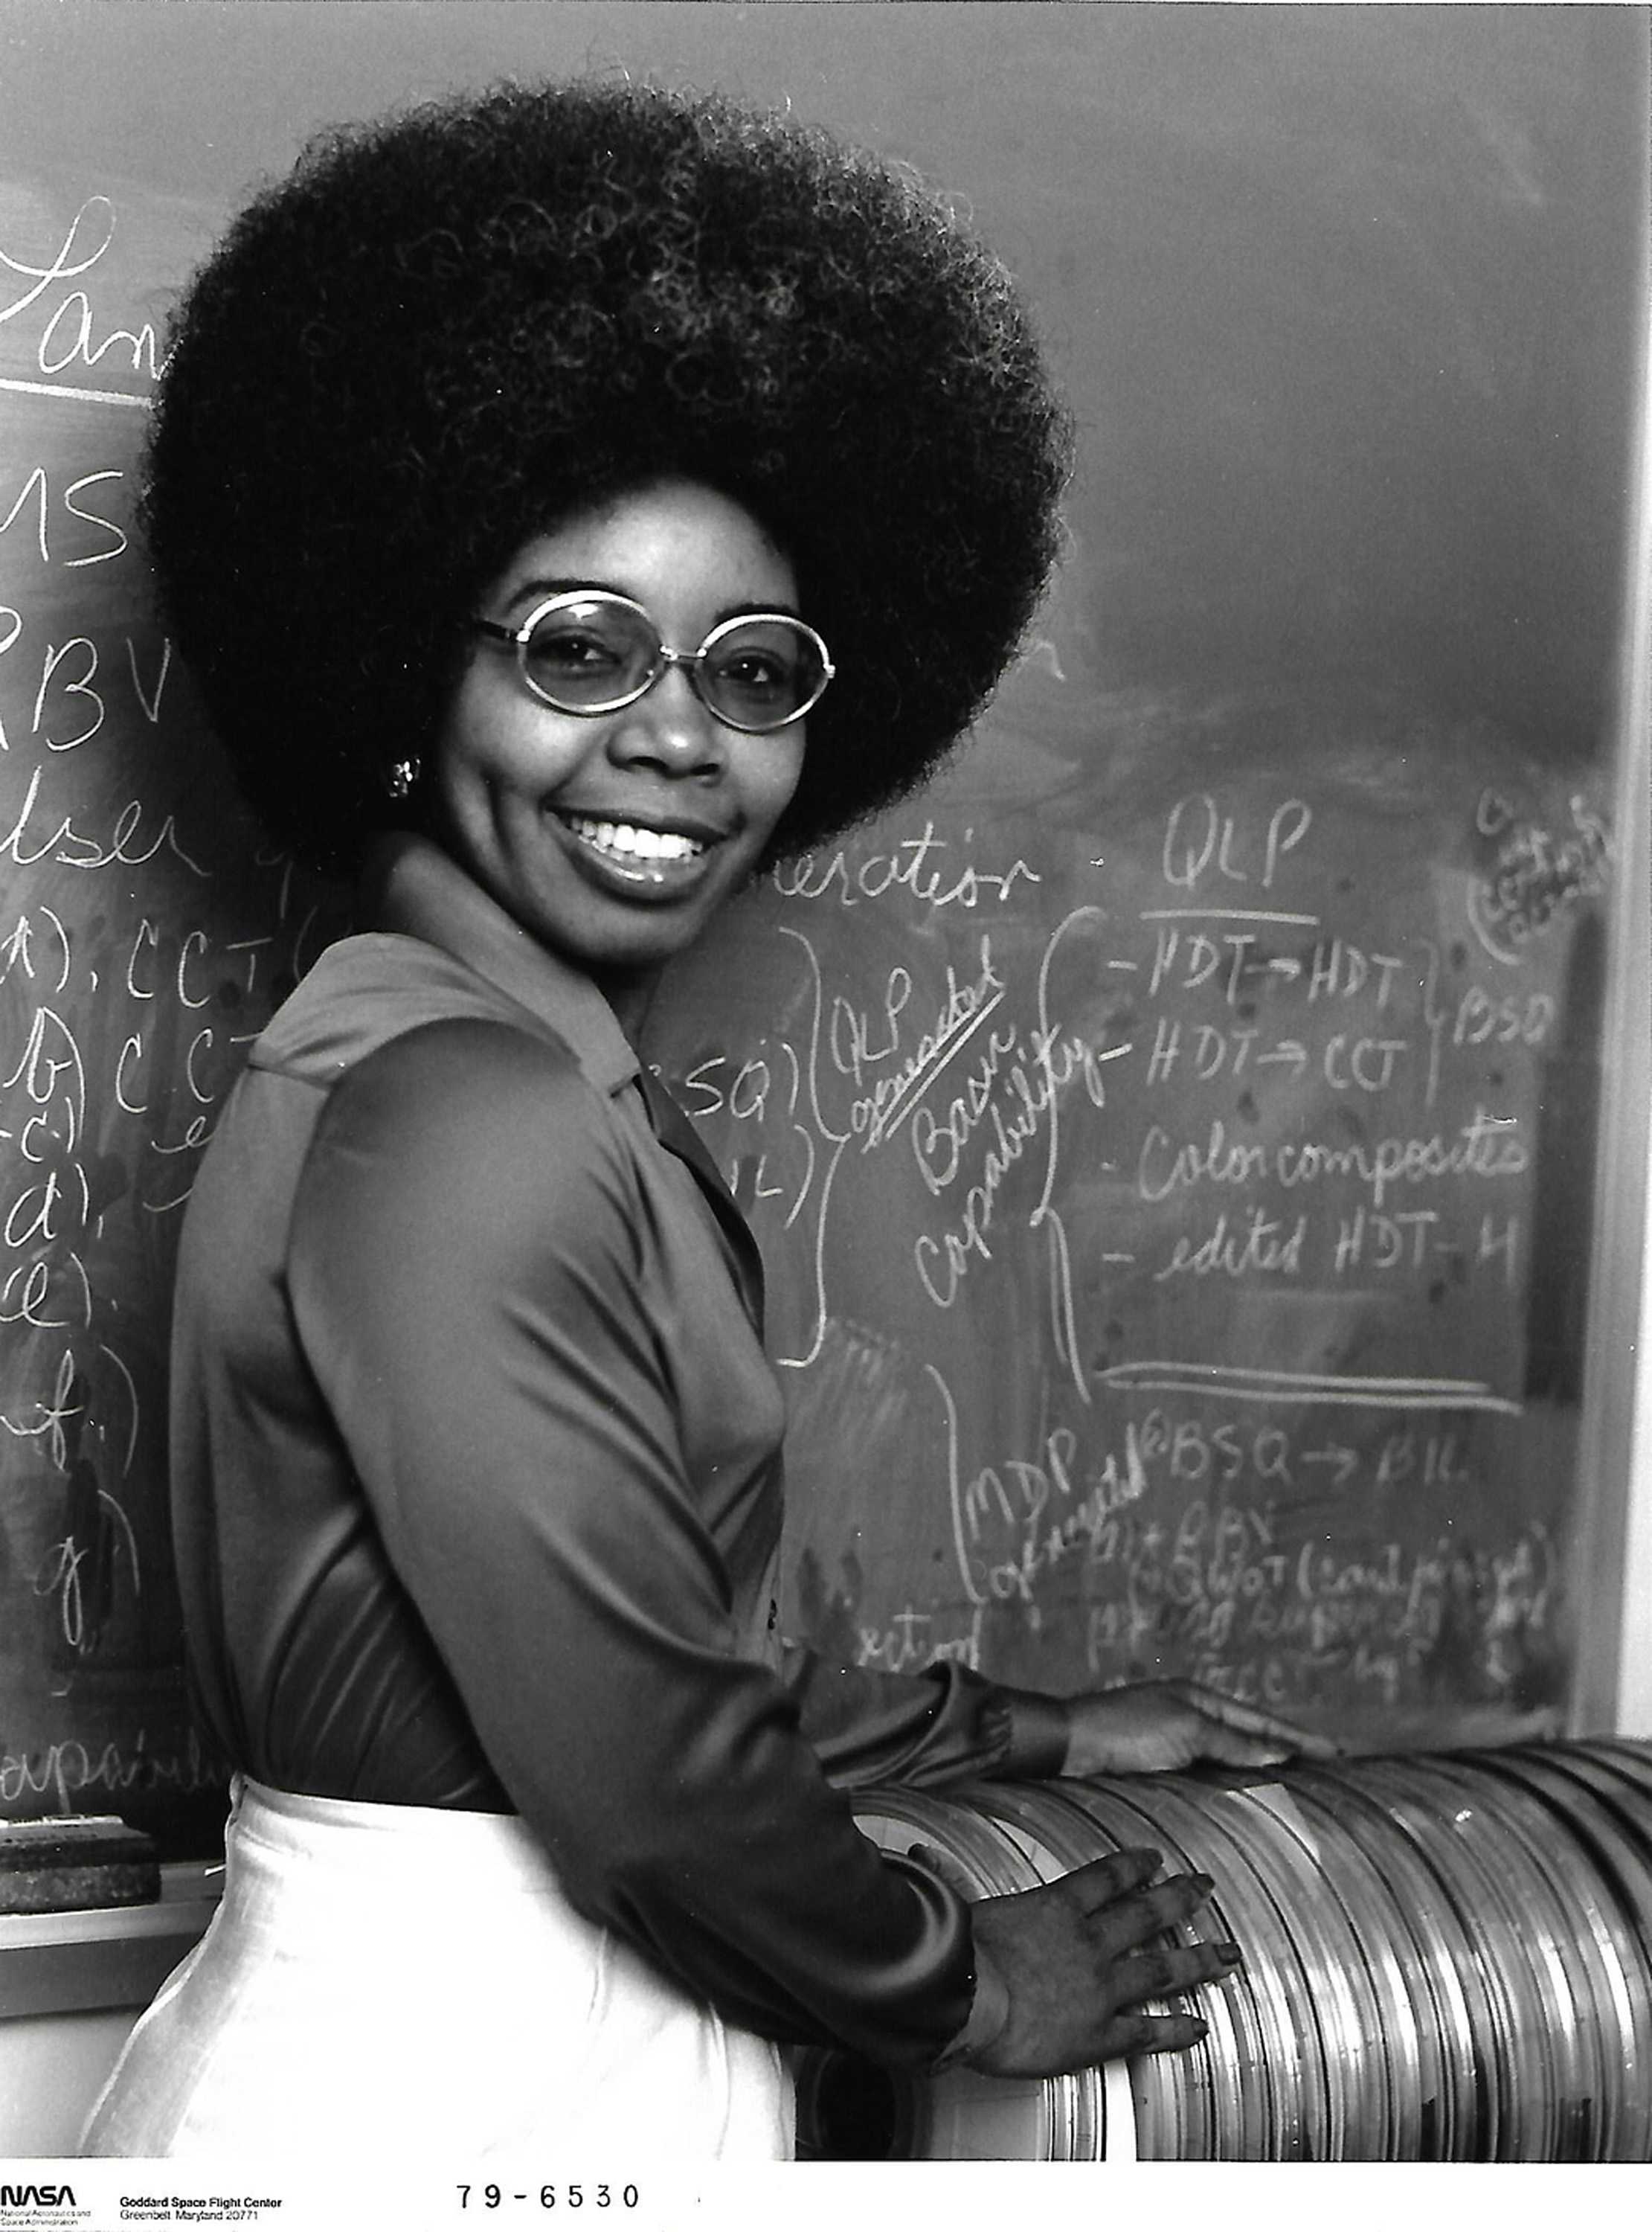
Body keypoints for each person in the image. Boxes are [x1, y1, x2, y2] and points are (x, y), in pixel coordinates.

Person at [82, 79, 1312, 2161]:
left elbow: (615, 1645)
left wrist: (1030, 1731)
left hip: (524, 2051)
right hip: (442, 2092)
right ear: (400, 675)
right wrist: (970, 1975)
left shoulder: (485, 1064)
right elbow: (646, 1776)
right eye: (579, 648)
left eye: (755, 671)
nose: (673, 735)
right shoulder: (463, 1111)